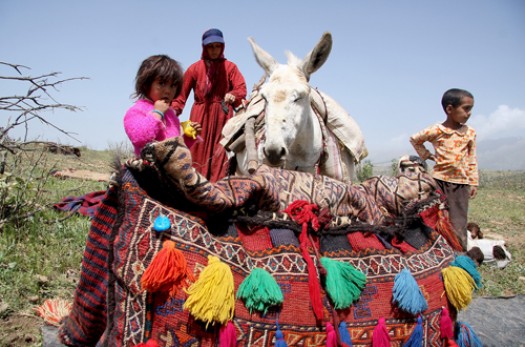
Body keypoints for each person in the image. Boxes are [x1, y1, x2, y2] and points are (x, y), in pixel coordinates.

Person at [172, 28, 247, 182]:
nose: (214, 50)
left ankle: (218, 193)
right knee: (195, 151)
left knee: (220, 154)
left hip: (223, 117)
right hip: (198, 117)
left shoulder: (230, 67)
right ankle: (194, 190)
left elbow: (242, 89)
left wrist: (233, 94)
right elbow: (180, 97)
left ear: (222, 47)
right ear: (204, 47)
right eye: (210, 46)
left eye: (217, 46)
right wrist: (171, 114)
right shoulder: (194, 69)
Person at [410, 88, 478, 251]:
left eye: (471, 109)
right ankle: (433, 250)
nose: (469, 113)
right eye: (466, 108)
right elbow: (415, 139)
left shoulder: (469, 132)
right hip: (438, 181)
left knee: (458, 220)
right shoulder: (436, 130)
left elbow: (471, 157)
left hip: (460, 184)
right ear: (449, 109)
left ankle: (458, 252)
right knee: (434, 216)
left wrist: (473, 181)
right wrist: (426, 155)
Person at [124, 55, 201, 157]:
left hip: (168, 171)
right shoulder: (136, 111)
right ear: (146, 85)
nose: (168, 90)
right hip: (147, 170)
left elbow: (176, 150)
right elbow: (139, 138)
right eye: (161, 83)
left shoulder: (171, 115)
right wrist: (157, 113)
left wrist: (189, 136)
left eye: (173, 85)